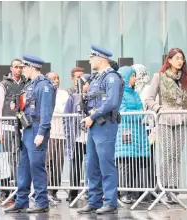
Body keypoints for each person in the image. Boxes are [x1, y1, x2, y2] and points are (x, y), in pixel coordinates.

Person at [4, 55, 56, 213]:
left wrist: (41, 132)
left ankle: (41, 201)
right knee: (24, 166)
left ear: (32, 67)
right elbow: (25, 105)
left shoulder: (44, 85)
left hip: (36, 128)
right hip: (27, 129)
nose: (22, 70)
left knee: (36, 165)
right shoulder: (30, 85)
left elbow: (46, 111)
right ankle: (21, 200)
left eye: (24, 67)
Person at [77, 45, 124, 214]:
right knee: (92, 165)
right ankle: (94, 200)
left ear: (100, 59)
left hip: (105, 125)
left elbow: (111, 102)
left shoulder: (111, 77)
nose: (90, 60)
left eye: (92, 57)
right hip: (95, 125)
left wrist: (92, 116)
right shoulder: (97, 78)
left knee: (106, 164)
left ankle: (110, 201)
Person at [145, 48, 187, 203]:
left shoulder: (186, 78)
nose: (180, 61)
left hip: (181, 121)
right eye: (177, 58)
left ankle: (174, 187)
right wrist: (160, 110)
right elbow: (149, 100)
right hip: (165, 119)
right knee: (167, 153)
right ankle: (164, 186)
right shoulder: (159, 77)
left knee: (176, 155)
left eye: (182, 58)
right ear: (169, 60)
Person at [115, 66, 150, 204]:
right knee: (125, 163)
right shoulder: (120, 94)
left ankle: (131, 192)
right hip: (126, 132)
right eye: (132, 76)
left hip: (138, 132)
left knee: (134, 162)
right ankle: (124, 192)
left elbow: (141, 108)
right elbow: (123, 112)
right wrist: (140, 115)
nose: (134, 78)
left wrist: (141, 114)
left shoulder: (135, 94)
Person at [0, 58, 26, 202]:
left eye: (21, 67)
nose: (19, 69)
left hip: (22, 128)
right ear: (11, 68)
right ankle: (4, 190)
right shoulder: (4, 85)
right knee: (6, 159)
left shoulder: (26, 82)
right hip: (7, 127)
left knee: (19, 160)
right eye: (16, 67)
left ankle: (19, 189)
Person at [63, 73, 91, 204]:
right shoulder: (73, 98)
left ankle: (92, 192)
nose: (86, 86)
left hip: (91, 137)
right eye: (84, 83)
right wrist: (68, 133)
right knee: (75, 165)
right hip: (78, 138)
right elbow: (66, 117)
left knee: (91, 165)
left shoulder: (94, 97)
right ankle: (73, 193)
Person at [45, 71, 68, 202]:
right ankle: (47, 190)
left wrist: (56, 111)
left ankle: (54, 191)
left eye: (57, 78)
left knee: (59, 164)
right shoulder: (45, 93)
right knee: (48, 163)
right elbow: (49, 110)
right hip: (49, 133)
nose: (56, 80)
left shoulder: (64, 94)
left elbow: (64, 110)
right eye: (53, 78)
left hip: (61, 134)